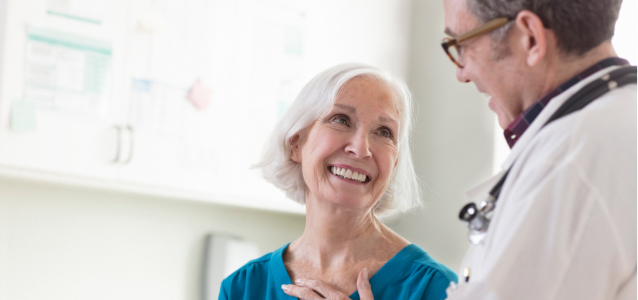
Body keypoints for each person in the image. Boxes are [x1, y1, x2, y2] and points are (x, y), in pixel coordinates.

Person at [283, 0, 636, 299]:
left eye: (461, 43)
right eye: (340, 120)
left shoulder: (569, 164)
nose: (462, 72)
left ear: (530, 38)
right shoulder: (601, 137)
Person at [218, 63, 458, 300]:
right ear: (296, 144)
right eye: (341, 120)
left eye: (384, 132)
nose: (361, 149)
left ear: (395, 161)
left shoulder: (439, 289)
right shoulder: (242, 288)